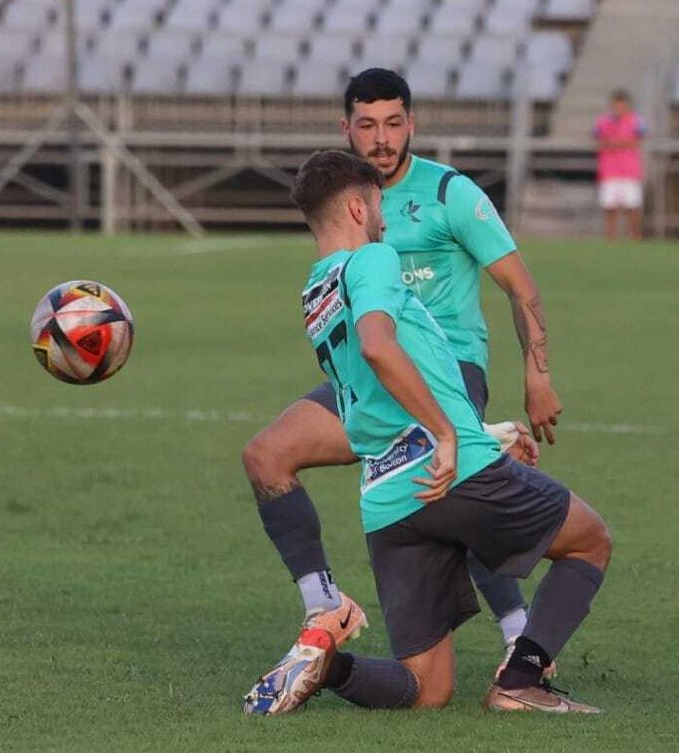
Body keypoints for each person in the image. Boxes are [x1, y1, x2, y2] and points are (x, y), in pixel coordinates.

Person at [243, 149, 611, 716]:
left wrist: (480, 429)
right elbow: (378, 345)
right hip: (451, 471)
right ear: (355, 206)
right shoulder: (373, 260)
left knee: (426, 689)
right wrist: (448, 435)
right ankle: (521, 679)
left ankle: (326, 663)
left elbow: (376, 392)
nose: (386, 217)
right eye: (379, 203)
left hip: (389, 497)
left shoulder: (316, 292)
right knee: (589, 541)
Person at [593, 88, 646, 241]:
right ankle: (611, 239)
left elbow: (637, 141)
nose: (619, 109)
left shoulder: (636, 121)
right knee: (610, 208)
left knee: (632, 207)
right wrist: (615, 143)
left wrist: (617, 142)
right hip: (609, 170)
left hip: (629, 170)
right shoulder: (602, 122)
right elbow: (598, 141)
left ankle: (636, 237)